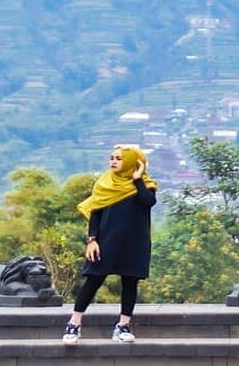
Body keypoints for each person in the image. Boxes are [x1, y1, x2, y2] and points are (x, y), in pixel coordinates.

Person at [62, 144, 157, 345]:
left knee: (130, 282)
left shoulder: (145, 184)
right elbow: (95, 213)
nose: (113, 161)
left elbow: (147, 202)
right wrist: (92, 240)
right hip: (105, 241)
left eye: (119, 158)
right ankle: (74, 324)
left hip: (135, 242)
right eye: (112, 157)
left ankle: (123, 325)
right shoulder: (105, 183)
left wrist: (137, 179)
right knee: (93, 280)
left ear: (132, 162)